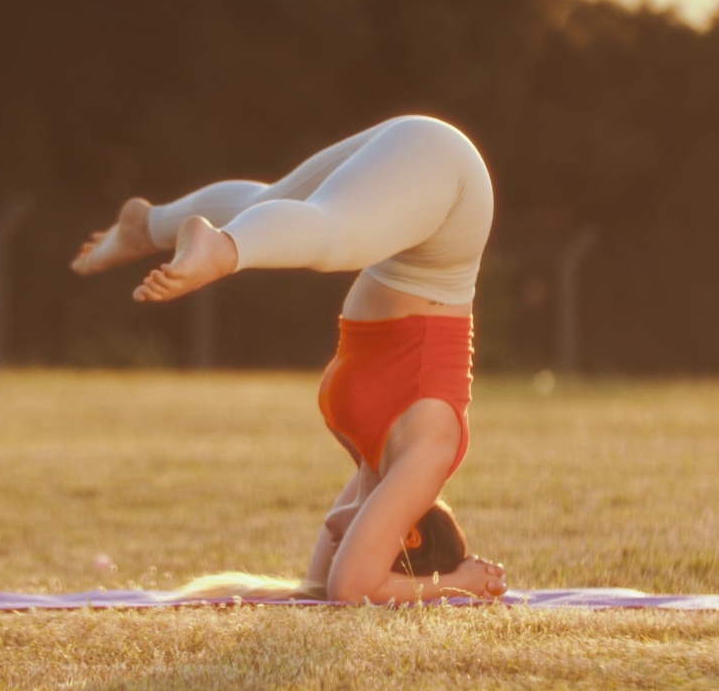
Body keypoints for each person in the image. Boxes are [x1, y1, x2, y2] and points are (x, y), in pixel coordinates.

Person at [71, 115, 507, 603]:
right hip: (451, 194)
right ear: (408, 535)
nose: (338, 544)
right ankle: (222, 247)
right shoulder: (427, 456)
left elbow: (325, 585)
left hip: (413, 214)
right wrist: (458, 584)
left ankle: (147, 226)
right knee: (332, 233)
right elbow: (352, 587)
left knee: (273, 205)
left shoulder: (379, 459)